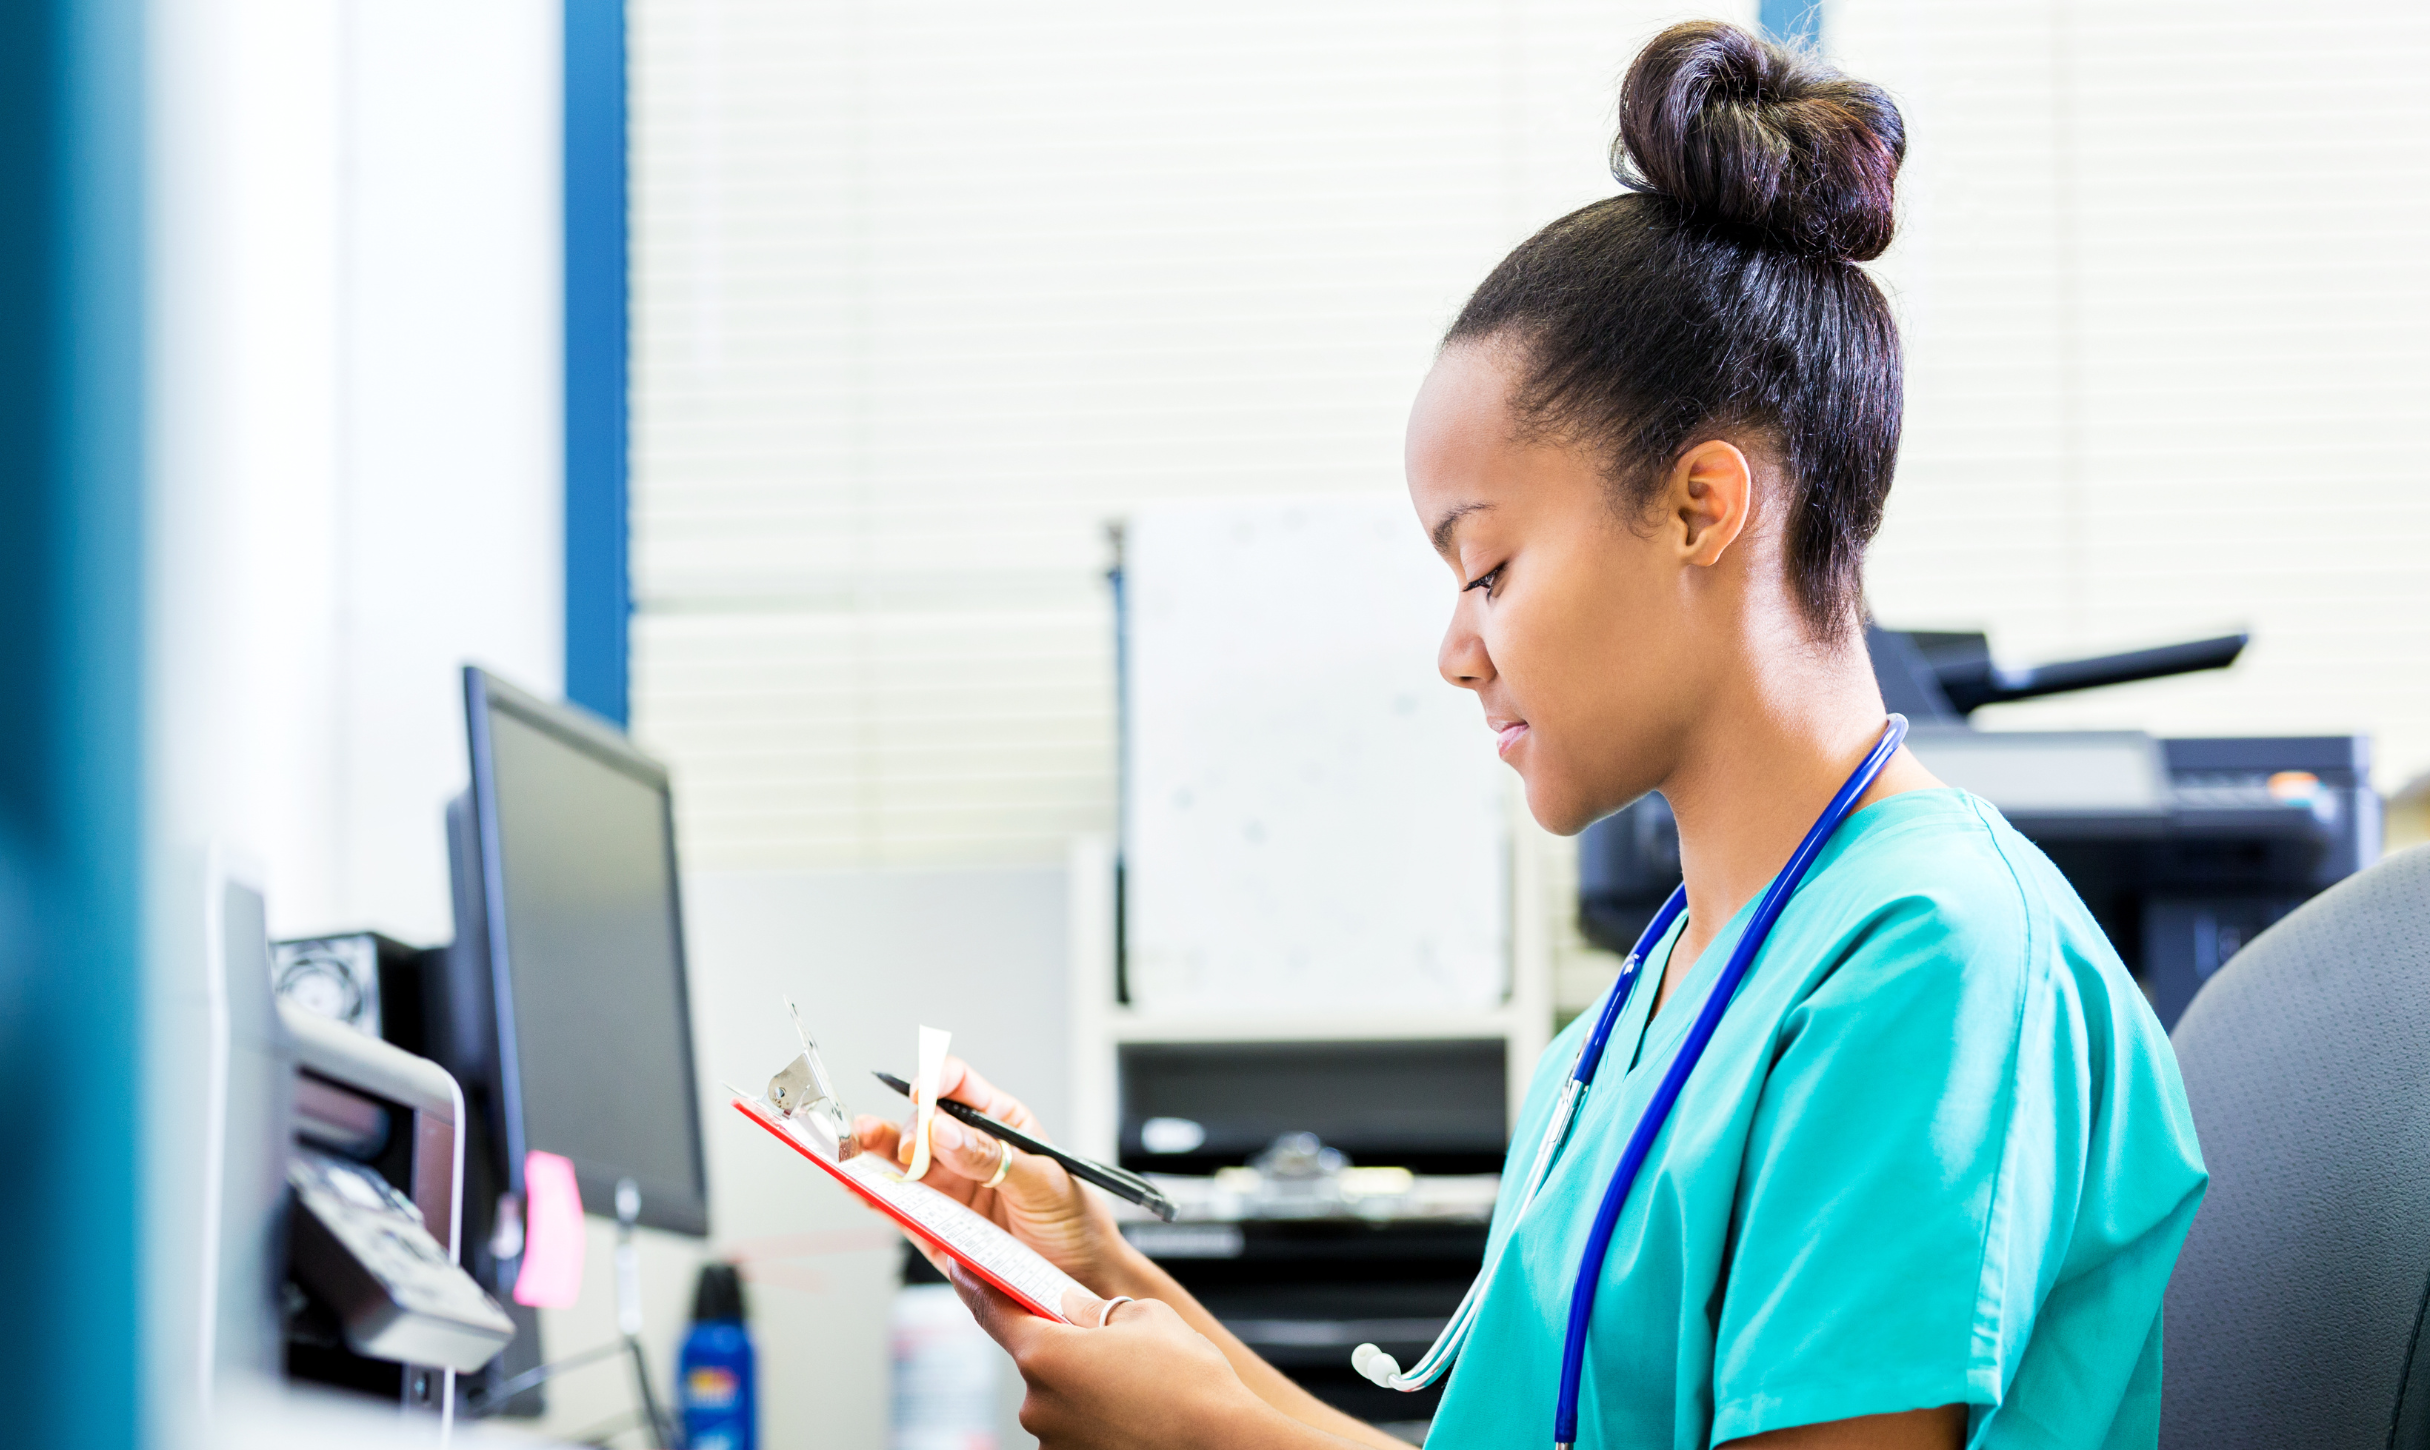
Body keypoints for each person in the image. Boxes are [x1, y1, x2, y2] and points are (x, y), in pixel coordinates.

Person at [853, 20, 2206, 1449]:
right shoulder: (1626, 1021)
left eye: (1487, 569)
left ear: (1702, 506)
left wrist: (1207, 1440)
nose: (1456, 652)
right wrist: (1094, 1271)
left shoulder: (1934, 968)